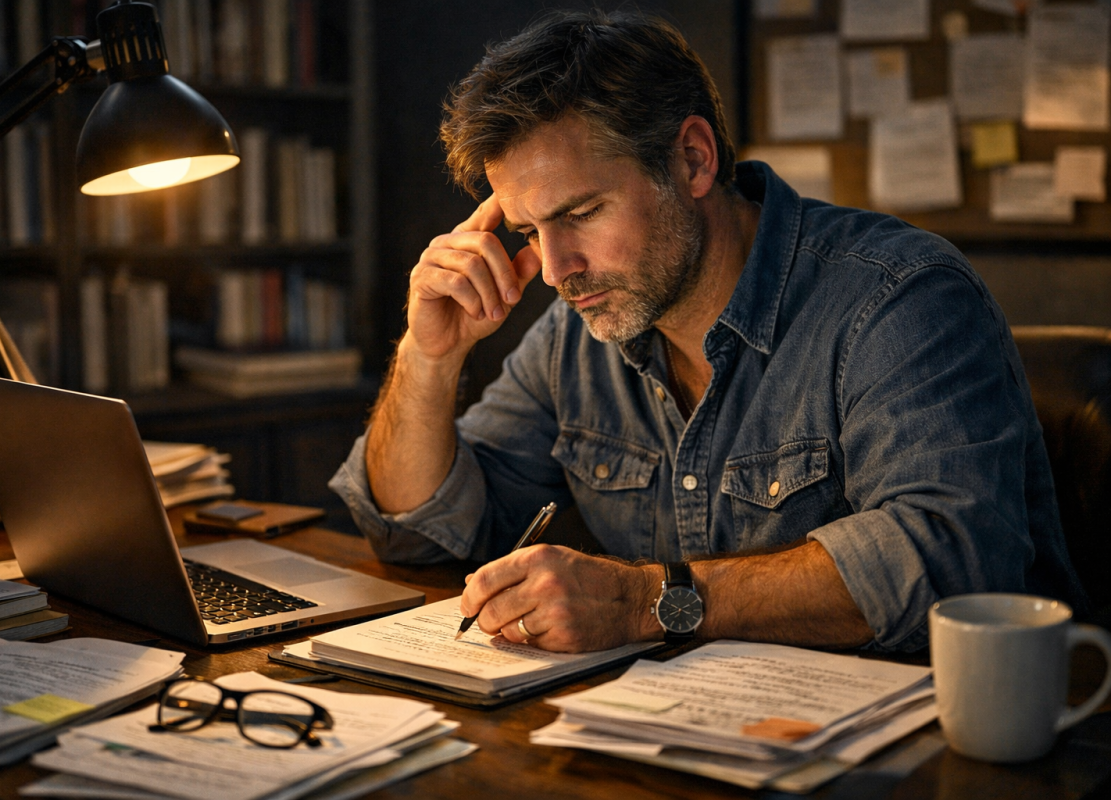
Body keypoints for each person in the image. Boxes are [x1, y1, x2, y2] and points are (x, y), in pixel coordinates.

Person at [329, 10, 1085, 654]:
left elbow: (949, 560)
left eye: (580, 213)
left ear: (692, 159)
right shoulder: (575, 334)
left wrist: (644, 603)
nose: (555, 270)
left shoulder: (897, 299)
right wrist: (429, 356)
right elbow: (422, 535)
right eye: (528, 229)